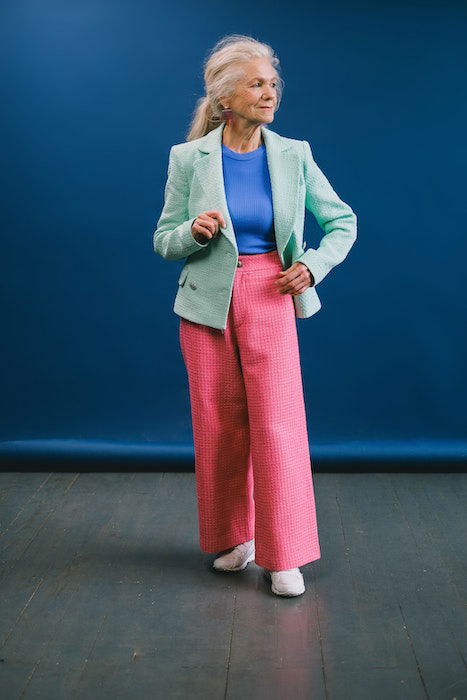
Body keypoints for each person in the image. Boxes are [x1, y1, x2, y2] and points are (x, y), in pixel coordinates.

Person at [153, 34, 357, 597]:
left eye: (273, 84)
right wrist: (191, 233)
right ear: (225, 98)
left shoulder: (295, 154)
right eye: (256, 84)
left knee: (277, 424)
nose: (269, 94)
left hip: (270, 293)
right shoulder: (187, 159)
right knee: (218, 427)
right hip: (203, 307)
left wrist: (312, 266)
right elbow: (162, 240)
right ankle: (233, 539)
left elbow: (342, 222)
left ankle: (284, 553)